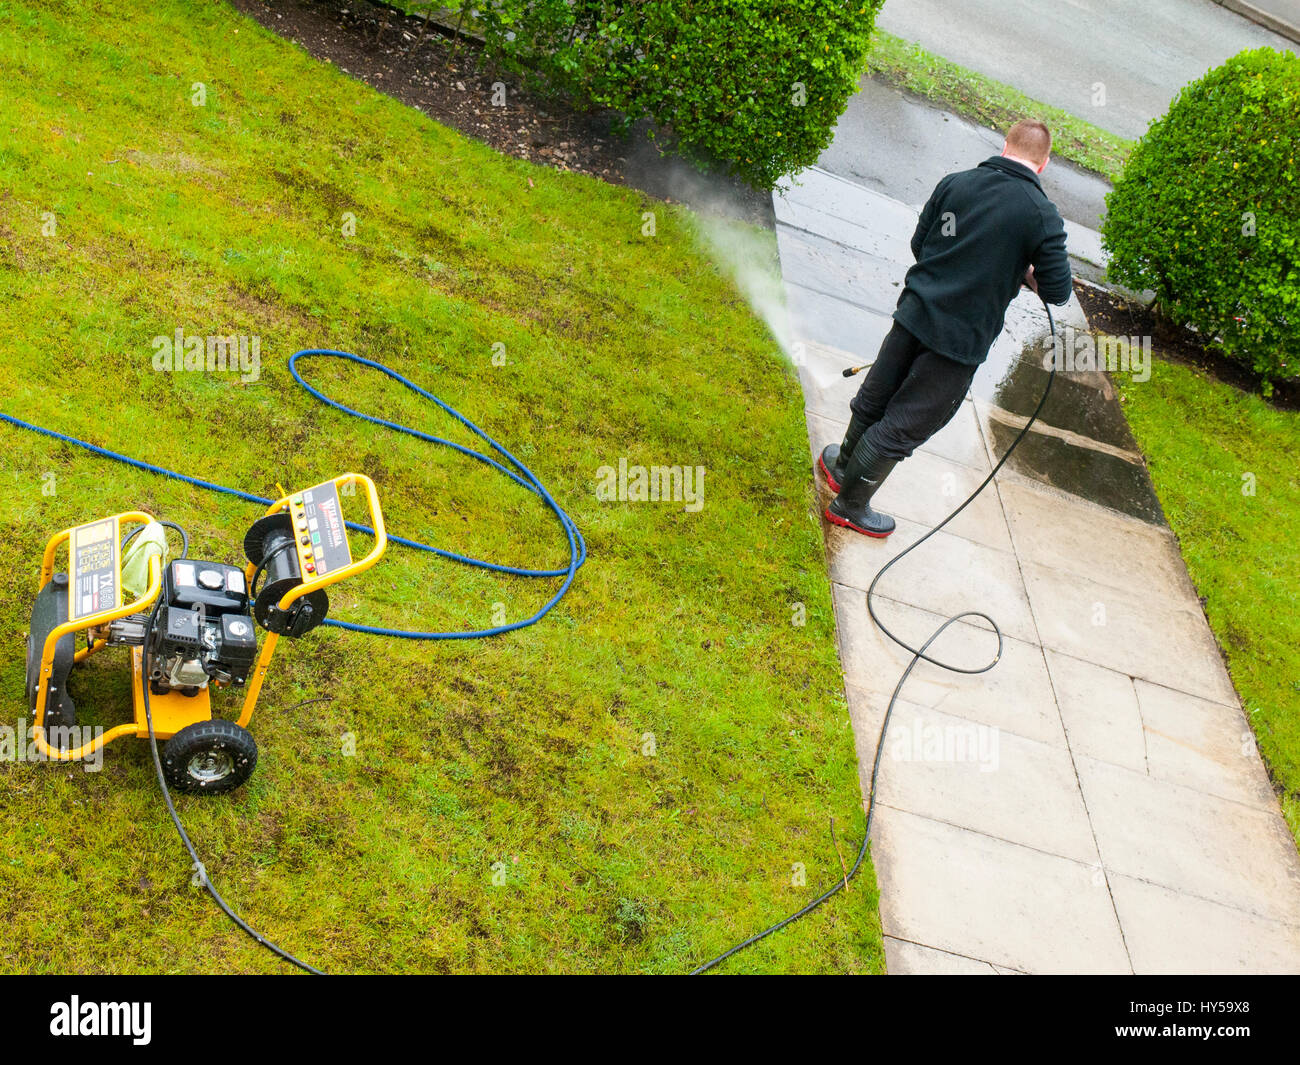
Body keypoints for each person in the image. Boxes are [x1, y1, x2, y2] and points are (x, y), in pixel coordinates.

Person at [820, 119, 1074, 537]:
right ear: (1043, 165)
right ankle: (849, 505)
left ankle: (843, 466)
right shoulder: (1042, 216)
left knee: (877, 394)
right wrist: (1023, 272)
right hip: (957, 342)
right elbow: (1058, 291)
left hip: (914, 313)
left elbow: (921, 244)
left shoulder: (957, 183)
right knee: (904, 424)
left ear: (1005, 145)